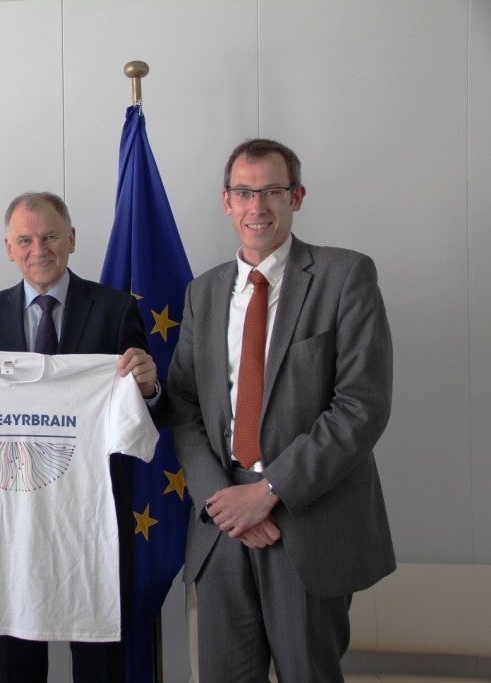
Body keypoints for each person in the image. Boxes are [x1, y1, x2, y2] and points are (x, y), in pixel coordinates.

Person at [0, 191, 161, 683]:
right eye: (25, 240)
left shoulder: (115, 309)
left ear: (71, 239)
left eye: (50, 236)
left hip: (88, 513)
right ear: (8, 248)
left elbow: (143, 411)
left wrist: (148, 387)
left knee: (99, 653)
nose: (39, 249)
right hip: (8, 517)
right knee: (18, 660)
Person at [168, 138, 395, 681]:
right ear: (226, 201)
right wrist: (225, 503)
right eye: (245, 192)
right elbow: (183, 404)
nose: (258, 206)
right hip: (222, 526)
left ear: (296, 196)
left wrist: (268, 493)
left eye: (272, 191)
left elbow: (361, 406)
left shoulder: (346, 276)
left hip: (306, 521)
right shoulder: (203, 292)